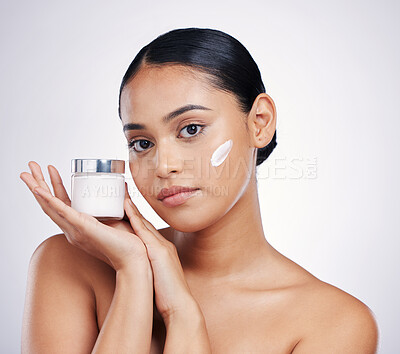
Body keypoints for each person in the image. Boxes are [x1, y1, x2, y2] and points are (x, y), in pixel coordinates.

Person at [20, 27, 379, 353]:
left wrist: (182, 314)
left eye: (190, 129)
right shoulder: (69, 263)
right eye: (142, 143)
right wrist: (132, 271)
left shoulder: (334, 323)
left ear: (260, 123)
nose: (164, 166)